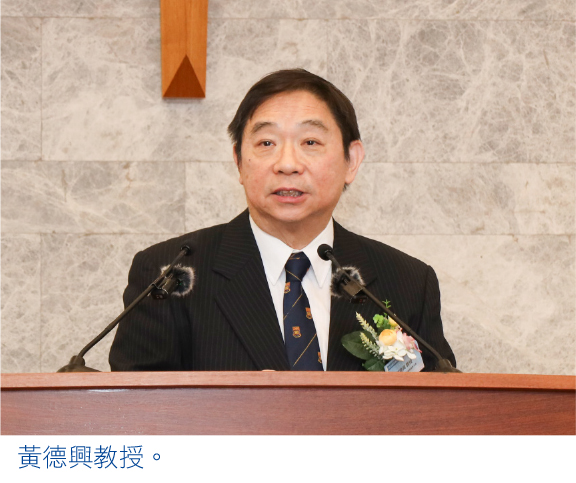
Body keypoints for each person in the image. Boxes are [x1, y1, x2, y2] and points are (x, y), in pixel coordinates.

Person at [109, 69, 456, 371]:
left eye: (310, 141)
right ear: (238, 161)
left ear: (351, 160)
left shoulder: (408, 282)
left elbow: (442, 406)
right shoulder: (170, 276)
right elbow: (135, 409)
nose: (287, 164)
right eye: (266, 143)